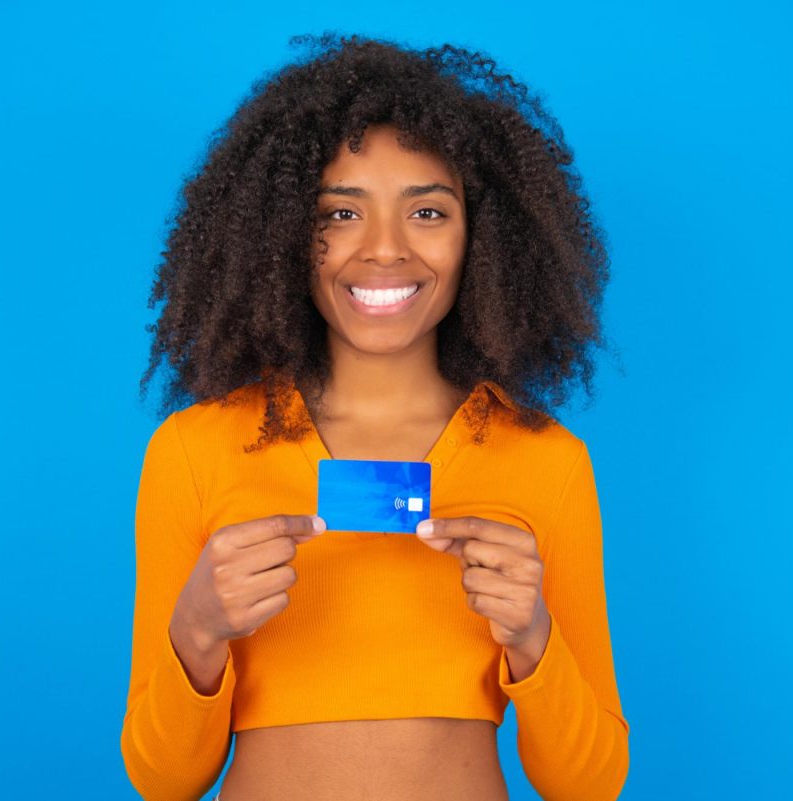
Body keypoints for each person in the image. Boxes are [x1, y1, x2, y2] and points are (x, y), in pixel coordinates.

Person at [121, 33, 630, 801]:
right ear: (285, 234)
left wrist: (534, 639)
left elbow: (590, 786)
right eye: (339, 213)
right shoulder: (193, 451)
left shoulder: (547, 461)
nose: (385, 250)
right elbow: (163, 781)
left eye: (427, 211)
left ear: (482, 240)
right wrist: (197, 629)